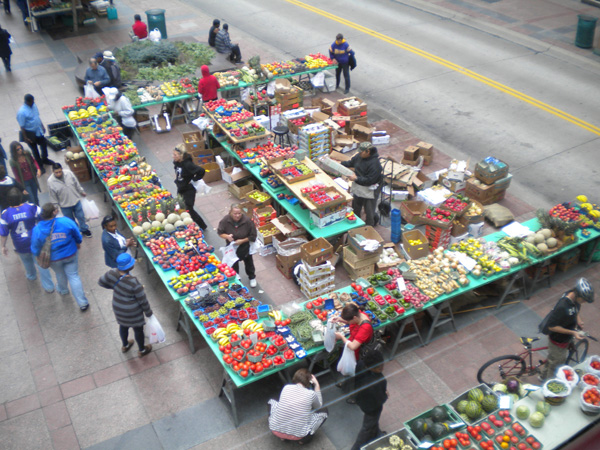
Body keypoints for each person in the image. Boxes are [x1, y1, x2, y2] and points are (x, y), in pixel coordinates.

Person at [31, 203, 90, 311]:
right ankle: (83, 303)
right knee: (74, 276)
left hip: (53, 258)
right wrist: (78, 242)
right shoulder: (65, 222)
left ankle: (63, 290)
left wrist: (37, 255)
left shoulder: (37, 229)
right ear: (54, 212)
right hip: (70, 254)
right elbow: (77, 234)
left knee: (59, 273)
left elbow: (35, 246)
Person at [98, 253, 153, 357]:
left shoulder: (112, 273)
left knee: (123, 326)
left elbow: (101, 282)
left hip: (118, 308)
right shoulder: (134, 283)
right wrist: (149, 313)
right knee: (138, 330)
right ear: (130, 266)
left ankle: (125, 345)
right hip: (133, 312)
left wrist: (114, 288)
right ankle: (142, 350)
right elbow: (143, 300)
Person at [0, 188, 54, 292]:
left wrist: (3, 246)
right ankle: (49, 287)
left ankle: (31, 275)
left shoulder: (5, 214)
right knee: (41, 264)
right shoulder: (32, 207)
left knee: (26, 261)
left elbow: (3, 233)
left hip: (19, 244)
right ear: (21, 198)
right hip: (35, 241)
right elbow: (44, 219)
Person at [540, 278, 594, 380]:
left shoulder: (574, 297)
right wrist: (573, 332)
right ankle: (548, 385)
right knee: (555, 366)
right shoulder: (562, 306)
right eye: (583, 300)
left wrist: (578, 320)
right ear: (578, 294)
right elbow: (552, 326)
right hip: (558, 341)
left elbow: (575, 309)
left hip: (566, 337)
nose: (584, 302)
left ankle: (542, 376)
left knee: (552, 360)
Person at [268, 368, 328, 444]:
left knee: (271, 401)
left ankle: (282, 437)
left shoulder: (286, 387)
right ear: (309, 382)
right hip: (298, 435)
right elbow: (319, 406)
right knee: (324, 411)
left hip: (275, 429)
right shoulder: (311, 394)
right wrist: (317, 385)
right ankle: (303, 440)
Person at [334, 302, 374, 403]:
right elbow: (350, 322)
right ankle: (346, 384)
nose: (348, 322)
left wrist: (342, 337)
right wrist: (340, 319)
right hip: (352, 350)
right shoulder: (357, 314)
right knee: (348, 368)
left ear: (355, 318)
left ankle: (356, 397)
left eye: (349, 320)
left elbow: (353, 346)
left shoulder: (365, 327)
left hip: (359, 354)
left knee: (359, 376)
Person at [351, 350, 389, 450]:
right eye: (378, 368)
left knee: (373, 422)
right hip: (371, 406)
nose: (381, 368)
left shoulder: (360, 364)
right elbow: (380, 398)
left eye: (382, 364)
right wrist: (385, 395)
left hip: (361, 398)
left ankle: (376, 434)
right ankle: (356, 448)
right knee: (367, 427)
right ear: (369, 367)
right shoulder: (377, 381)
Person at [341, 142, 383, 227]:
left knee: (369, 209)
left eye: (361, 152)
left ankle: (369, 226)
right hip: (359, 184)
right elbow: (351, 163)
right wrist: (339, 163)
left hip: (370, 188)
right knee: (356, 205)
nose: (359, 154)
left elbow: (370, 180)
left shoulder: (375, 164)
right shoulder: (359, 156)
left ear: (368, 151)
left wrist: (356, 178)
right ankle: (356, 223)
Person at [217, 204, 257, 288]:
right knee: (233, 264)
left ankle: (252, 277)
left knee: (249, 262)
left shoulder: (247, 221)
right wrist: (227, 237)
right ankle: (236, 280)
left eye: (239, 213)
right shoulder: (225, 220)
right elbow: (220, 232)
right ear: (231, 212)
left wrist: (242, 241)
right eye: (235, 213)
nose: (237, 215)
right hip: (231, 248)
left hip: (245, 246)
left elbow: (253, 236)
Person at [47, 163, 92, 237]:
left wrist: (81, 191)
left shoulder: (69, 173)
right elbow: (53, 195)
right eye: (56, 172)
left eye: (60, 171)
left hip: (76, 200)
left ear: (62, 169)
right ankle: (76, 230)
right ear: (53, 171)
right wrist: (55, 207)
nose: (58, 174)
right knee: (70, 220)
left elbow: (76, 183)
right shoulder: (50, 181)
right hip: (64, 205)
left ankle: (84, 229)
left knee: (81, 216)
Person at [17, 94, 55, 171]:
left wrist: (42, 126)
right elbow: (22, 126)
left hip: (38, 131)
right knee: (35, 150)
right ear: (27, 102)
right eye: (31, 101)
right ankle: (39, 165)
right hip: (30, 134)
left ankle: (45, 159)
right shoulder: (21, 112)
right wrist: (25, 137)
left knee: (44, 145)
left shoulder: (34, 106)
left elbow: (37, 117)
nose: (33, 102)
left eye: (33, 100)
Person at [172, 144, 207, 230]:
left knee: (189, 209)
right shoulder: (177, 162)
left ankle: (202, 225)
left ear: (181, 155)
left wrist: (194, 179)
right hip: (181, 187)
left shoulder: (188, 164)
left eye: (175, 155)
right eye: (173, 154)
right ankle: (186, 224)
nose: (173, 157)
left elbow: (201, 171)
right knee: (181, 206)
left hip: (188, 190)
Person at [9, 141, 41, 206]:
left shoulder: (26, 153)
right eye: (18, 149)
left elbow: (33, 161)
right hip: (25, 183)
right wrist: (22, 188)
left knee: (36, 197)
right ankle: (34, 212)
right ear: (14, 151)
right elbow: (16, 176)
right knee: (32, 199)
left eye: (21, 148)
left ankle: (38, 211)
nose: (20, 150)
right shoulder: (13, 161)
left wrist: (38, 169)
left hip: (33, 179)